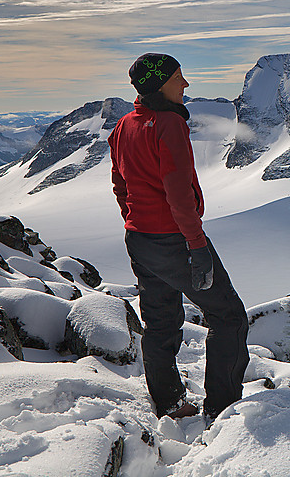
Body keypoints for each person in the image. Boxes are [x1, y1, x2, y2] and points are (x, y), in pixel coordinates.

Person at [108, 53, 249, 422]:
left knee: (160, 323)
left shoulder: (124, 125)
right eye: (178, 78)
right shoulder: (169, 123)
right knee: (229, 317)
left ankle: (170, 404)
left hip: (139, 238)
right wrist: (197, 245)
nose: (185, 85)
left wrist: (135, 220)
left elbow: (119, 184)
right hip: (175, 239)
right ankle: (221, 408)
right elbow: (178, 192)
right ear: (158, 85)